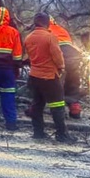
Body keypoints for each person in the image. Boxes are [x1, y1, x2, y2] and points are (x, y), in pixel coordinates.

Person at [25, 13, 75, 142]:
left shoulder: (28, 38)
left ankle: (38, 132)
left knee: (37, 105)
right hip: (49, 77)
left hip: (34, 76)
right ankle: (61, 134)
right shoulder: (50, 37)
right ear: (47, 23)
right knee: (57, 105)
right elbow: (57, 56)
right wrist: (61, 67)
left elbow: (28, 57)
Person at [48, 16, 83, 118]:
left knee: (54, 83)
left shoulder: (45, 29)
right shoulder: (62, 29)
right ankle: (75, 109)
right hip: (73, 56)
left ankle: (57, 111)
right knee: (72, 81)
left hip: (60, 54)